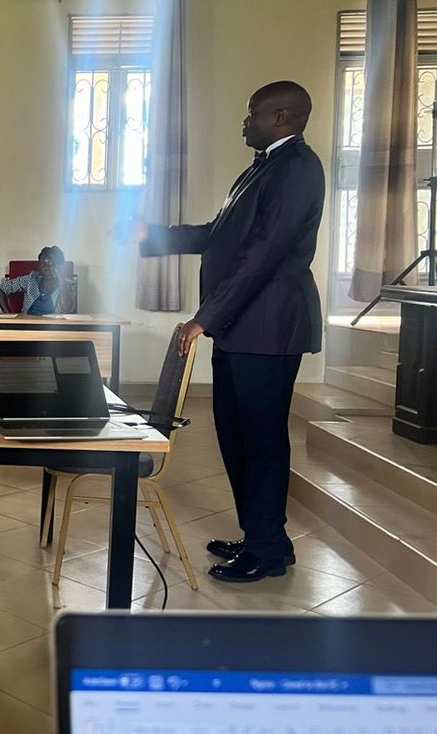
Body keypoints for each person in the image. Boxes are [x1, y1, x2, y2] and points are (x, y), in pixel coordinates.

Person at [137, 81, 325, 583]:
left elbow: (262, 255)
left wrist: (206, 316)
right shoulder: (262, 168)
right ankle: (264, 537)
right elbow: (217, 234)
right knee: (237, 436)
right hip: (244, 329)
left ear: (281, 117)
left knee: (261, 441)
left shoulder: (298, 169)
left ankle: (265, 549)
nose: (246, 122)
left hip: (269, 329)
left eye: (253, 114)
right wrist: (151, 236)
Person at [0, 245, 76, 315]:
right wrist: (8, 315)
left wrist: (61, 279)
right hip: (28, 325)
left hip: (55, 328)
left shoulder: (70, 285)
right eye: (43, 264)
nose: (46, 268)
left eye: (51, 264)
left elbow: (67, 309)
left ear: (59, 266)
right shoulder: (30, 280)